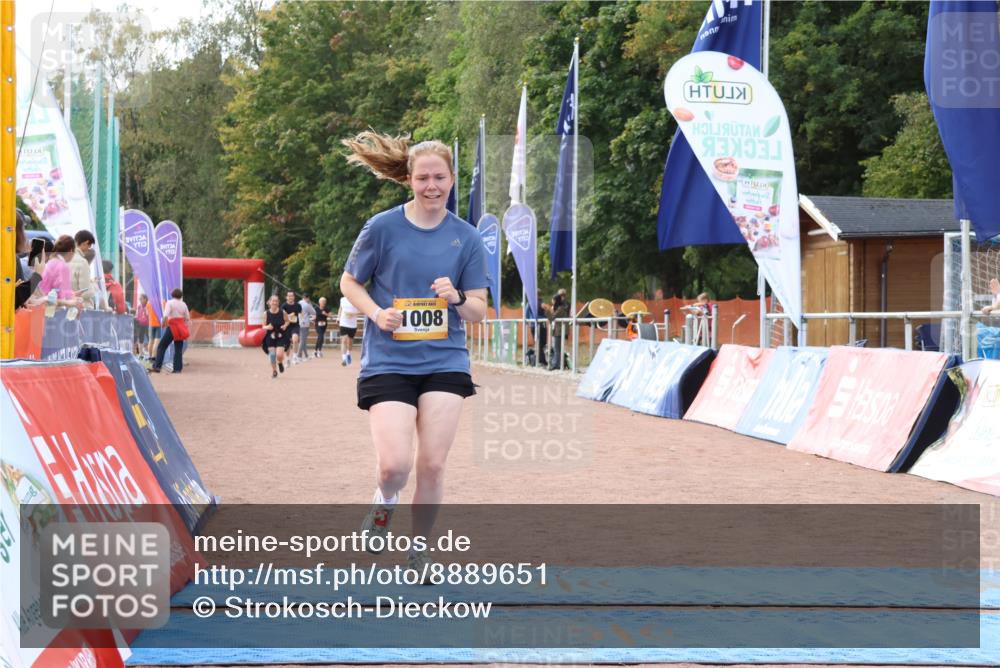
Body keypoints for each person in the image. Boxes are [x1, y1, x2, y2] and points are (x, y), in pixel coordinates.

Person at [339, 130, 488, 576]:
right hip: (388, 361)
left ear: (452, 179)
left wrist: (457, 298)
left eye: (439, 177)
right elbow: (350, 283)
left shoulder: (468, 238)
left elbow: (478, 309)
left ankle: (418, 551)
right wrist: (376, 313)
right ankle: (383, 503)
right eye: (423, 178)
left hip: (444, 361)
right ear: (409, 180)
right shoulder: (382, 228)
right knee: (395, 467)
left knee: (433, 463)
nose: (431, 186)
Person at [28, 235, 83, 310]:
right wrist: (73, 300)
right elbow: (62, 296)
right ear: (71, 251)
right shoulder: (63, 266)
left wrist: (71, 294)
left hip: (38, 306)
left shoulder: (49, 263)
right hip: (51, 310)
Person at [151, 288, 190, 374]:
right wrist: (185, 326)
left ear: (172, 294)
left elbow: (165, 315)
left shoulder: (170, 303)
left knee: (162, 346)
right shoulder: (183, 304)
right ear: (180, 295)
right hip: (180, 327)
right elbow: (187, 317)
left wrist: (164, 324)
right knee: (178, 348)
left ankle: (157, 366)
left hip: (172, 326)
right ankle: (177, 369)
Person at [261, 294, 290, 378]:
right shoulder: (266, 313)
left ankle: (280, 362)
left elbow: (288, 321)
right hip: (270, 336)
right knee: (272, 355)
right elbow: (263, 326)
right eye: (273, 301)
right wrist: (267, 327)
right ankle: (274, 371)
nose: (274, 302)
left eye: (276, 301)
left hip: (281, 335)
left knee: (279, 355)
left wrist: (285, 325)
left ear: (278, 302)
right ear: (270, 302)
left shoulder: (283, 312)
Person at [71, 230, 96, 309]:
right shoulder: (82, 262)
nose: (88, 249)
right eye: (89, 246)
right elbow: (86, 291)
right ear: (85, 243)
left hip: (63, 305)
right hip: (81, 308)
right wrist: (94, 287)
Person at [548, 288, 570, 370]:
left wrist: (546, 310)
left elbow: (551, 318)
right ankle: (558, 363)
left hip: (559, 330)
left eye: (553, 301)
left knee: (557, 348)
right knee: (557, 348)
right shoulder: (561, 307)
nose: (552, 302)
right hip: (558, 329)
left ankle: (556, 364)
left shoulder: (561, 308)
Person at [338, 294, 361, 366]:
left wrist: (353, 314)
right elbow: (340, 309)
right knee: (344, 340)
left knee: (350, 341)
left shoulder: (356, 300)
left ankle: (348, 353)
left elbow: (361, 310)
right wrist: (338, 318)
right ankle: (344, 359)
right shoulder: (342, 299)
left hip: (352, 324)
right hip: (343, 323)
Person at [281, 290, 303, 365]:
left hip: (295, 325)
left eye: (292, 296)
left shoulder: (298, 305)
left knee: (295, 340)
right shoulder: (284, 306)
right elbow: (282, 316)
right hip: (287, 326)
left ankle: (295, 357)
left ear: (294, 297)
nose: (290, 297)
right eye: (289, 296)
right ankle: (287, 359)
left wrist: (303, 320)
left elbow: (301, 313)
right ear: (286, 297)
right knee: (287, 344)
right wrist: (289, 315)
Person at [297, 292, 316, 362]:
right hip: (305, 324)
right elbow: (314, 312)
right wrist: (310, 304)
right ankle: (299, 356)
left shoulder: (298, 302)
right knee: (302, 341)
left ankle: (306, 355)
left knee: (303, 340)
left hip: (298, 323)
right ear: (308, 298)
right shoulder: (307, 305)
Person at [134, 294, 150, 358]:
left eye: (141, 299)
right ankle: (141, 353)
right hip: (140, 324)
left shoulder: (148, 306)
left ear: (145, 299)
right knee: (140, 338)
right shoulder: (139, 306)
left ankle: (149, 353)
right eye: (139, 299)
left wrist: (146, 309)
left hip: (147, 324)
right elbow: (137, 315)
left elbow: (148, 314)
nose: (140, 300)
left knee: (149, 338)